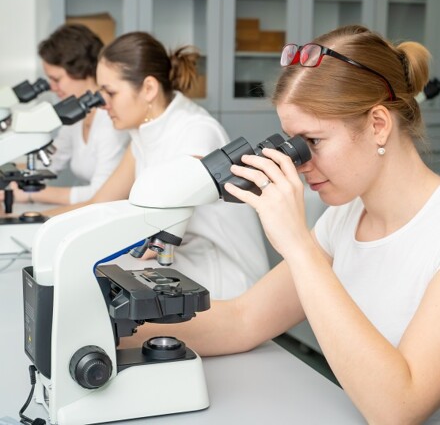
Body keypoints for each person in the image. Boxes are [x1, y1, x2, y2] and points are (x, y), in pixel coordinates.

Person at [120, 24, 440, 424]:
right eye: (294, 142)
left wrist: (298, 245)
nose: (300, 163)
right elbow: (243, 319)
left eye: (314, 141)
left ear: (378, 124)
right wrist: (109, 329)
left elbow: (398, 409)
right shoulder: (345, 217)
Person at [46, 31, 269, 299]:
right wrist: (39, 223)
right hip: (179, 260)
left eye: (110, 92)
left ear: (149, 89)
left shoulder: (196, 131)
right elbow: (101, 202)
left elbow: (153, 236)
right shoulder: (143, 132)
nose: (102, 104)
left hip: (224, 275)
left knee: (89, 286)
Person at [5, 24, 129, 205]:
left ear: (80, 69)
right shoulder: (76, 115)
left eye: (56, 79)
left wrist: (30, 194)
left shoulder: (111, 118)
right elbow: (51, 162)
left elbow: (102, 195)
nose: (52, 87)